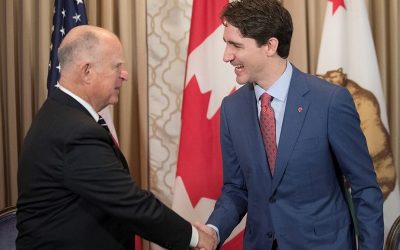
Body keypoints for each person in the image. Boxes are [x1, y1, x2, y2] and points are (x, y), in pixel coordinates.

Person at [198, 0, 384, 249]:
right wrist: (213, 231)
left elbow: (364, 187)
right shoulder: (232, 108)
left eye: (235, 45)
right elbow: (236, 188)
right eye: (226, 44)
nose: (226, 56)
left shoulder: (329, 101)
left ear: (270, 45)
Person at [16, 25, 216, 250]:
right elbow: (130, 203)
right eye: (116, 66)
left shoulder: (61, 112)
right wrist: (196, 238)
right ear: (87, 72)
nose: (125, 74)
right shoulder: (75, 132)